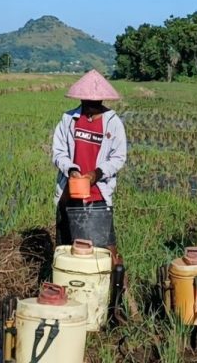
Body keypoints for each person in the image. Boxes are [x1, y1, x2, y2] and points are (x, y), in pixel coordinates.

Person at [51, 69, 127, 264]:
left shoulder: (113, 123)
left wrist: (97, 173)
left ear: (102, 100)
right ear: (82, 99)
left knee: (108, 250)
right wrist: (72, 170)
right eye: (88, 102)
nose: (91, 107)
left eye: (96, 103)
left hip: (98, 196)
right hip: (70, 195)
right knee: (67, 250)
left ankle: (119, 291)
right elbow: (58, 152)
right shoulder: (68, 120)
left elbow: (119, 157)